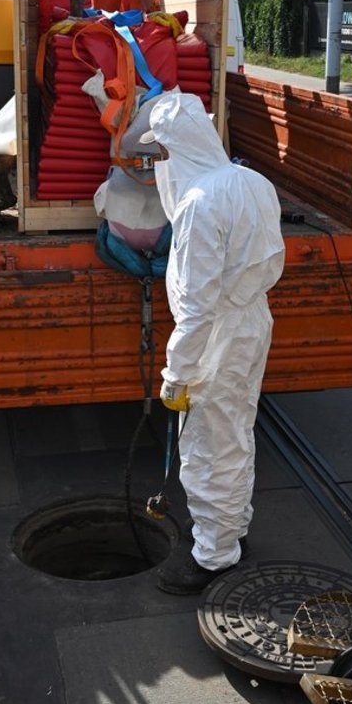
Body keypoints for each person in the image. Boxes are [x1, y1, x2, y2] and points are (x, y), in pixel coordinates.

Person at [140, 90, 285, 595]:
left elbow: (198, 303)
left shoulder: (200, 203)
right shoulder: (251, 180)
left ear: (177, 150)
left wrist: (177, 371)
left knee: (207, 445)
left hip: (217, 336)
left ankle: (214, 555)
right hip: (250, 321)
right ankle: (233, 528)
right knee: (236, 431)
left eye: (160, 154)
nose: (158, 165)